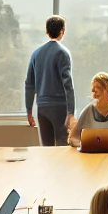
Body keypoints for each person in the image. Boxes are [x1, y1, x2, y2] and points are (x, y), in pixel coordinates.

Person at [24, 15, 75, 146]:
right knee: (63, 147)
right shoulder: (63, 53)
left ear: (47, 31)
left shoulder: (36, 54)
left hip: (42, 107)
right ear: (62, 30)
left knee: (46, 149)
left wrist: (29, 110)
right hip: (60, 107)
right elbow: (68, 85)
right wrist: (71, 113)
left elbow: (29, 84)